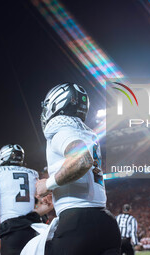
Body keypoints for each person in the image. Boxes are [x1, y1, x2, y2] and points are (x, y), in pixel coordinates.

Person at [36, 82, 121, 255]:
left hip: (78, 224)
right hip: (106, 222)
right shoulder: (86, 133)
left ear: (55, 104)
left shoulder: (62, 130)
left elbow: (81, 161)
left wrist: (48, 184)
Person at [0, 144, 52, 255]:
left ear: (3, 157)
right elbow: (48, 204)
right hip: (33, 229)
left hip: (11, 230)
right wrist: (32, 214)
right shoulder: (33, 174)